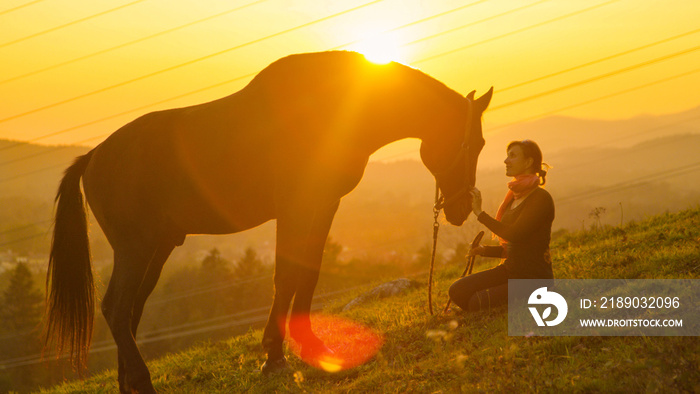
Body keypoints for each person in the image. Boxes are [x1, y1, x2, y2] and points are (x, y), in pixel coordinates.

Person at [448, 139, 554, 312]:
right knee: (457, 290)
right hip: (510, 271)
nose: (506, 161)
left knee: (477, 302)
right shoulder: (514, 196)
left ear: (528, 162)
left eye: (512, 156)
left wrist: (480, 213)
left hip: (533, 280)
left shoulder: (540, 199)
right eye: (507, 156)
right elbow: (516, 247)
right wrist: (484, 251)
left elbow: (514, 235)